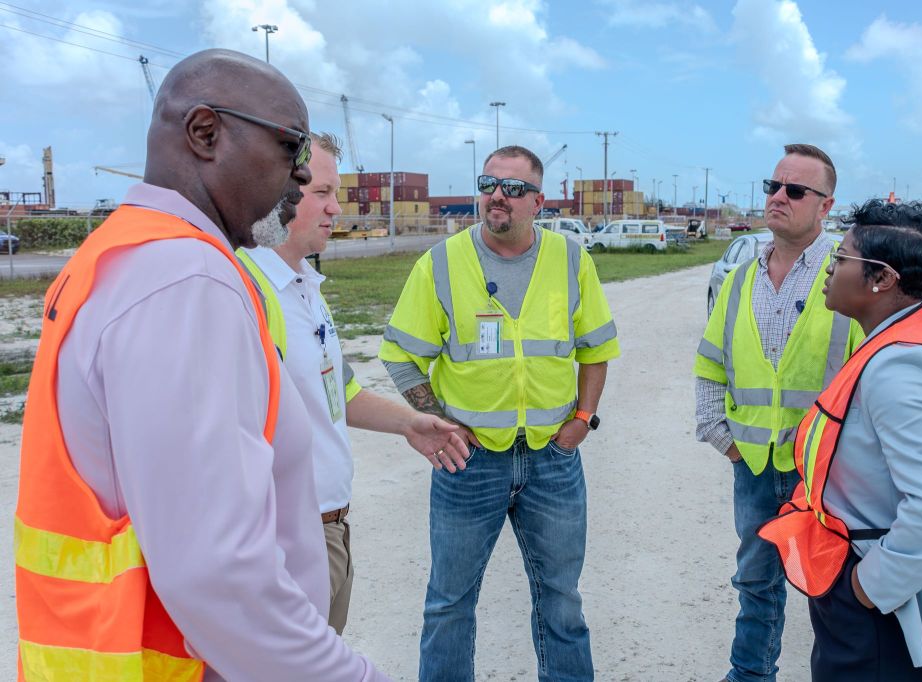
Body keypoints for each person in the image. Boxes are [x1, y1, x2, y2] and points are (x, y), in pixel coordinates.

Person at [14, 49, 389, 681]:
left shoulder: (120, 252)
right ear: (205, 133)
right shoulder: (186, 278)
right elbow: (217, 571)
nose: (300, 180)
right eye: (291, 149)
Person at [379, 145, 620, 681]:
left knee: (562, 601)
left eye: (512, 189)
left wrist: (582, 419)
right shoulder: (441, 263)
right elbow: (399, 354)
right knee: (448, 604)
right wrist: (439, 424)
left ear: (538, 201)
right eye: (489, 183)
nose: (497, 196)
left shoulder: (571, 259)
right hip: (469, 465)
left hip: (551, 461)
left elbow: (596, 347)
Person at [758, 199, 922, 682]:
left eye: (843, 259)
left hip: (882, 613)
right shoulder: (896, 341)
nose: (829, 270)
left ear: (882, 279)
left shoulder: (900, 367)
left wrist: (865, 590)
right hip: (868, 590)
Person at [237, 131, 469, 635]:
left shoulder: (303, 288)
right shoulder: (246, 293)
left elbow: (337, 393)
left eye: (335, 194)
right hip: (285, 537)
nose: (336, 210)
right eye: (322, 193)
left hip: (330, 528)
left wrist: (411, 423)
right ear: (279, 191)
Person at [693, 143, 863, 682]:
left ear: (825, 205)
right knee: (756, 581)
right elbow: (711, 362)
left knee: (836, 586)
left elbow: (870, 372)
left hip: (825, 472)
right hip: (755, 462)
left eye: (795, 190)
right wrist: (723, 437)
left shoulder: (850, 276)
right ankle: (749, 675)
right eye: (773, 186)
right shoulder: (742, 277)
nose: (778, 198)